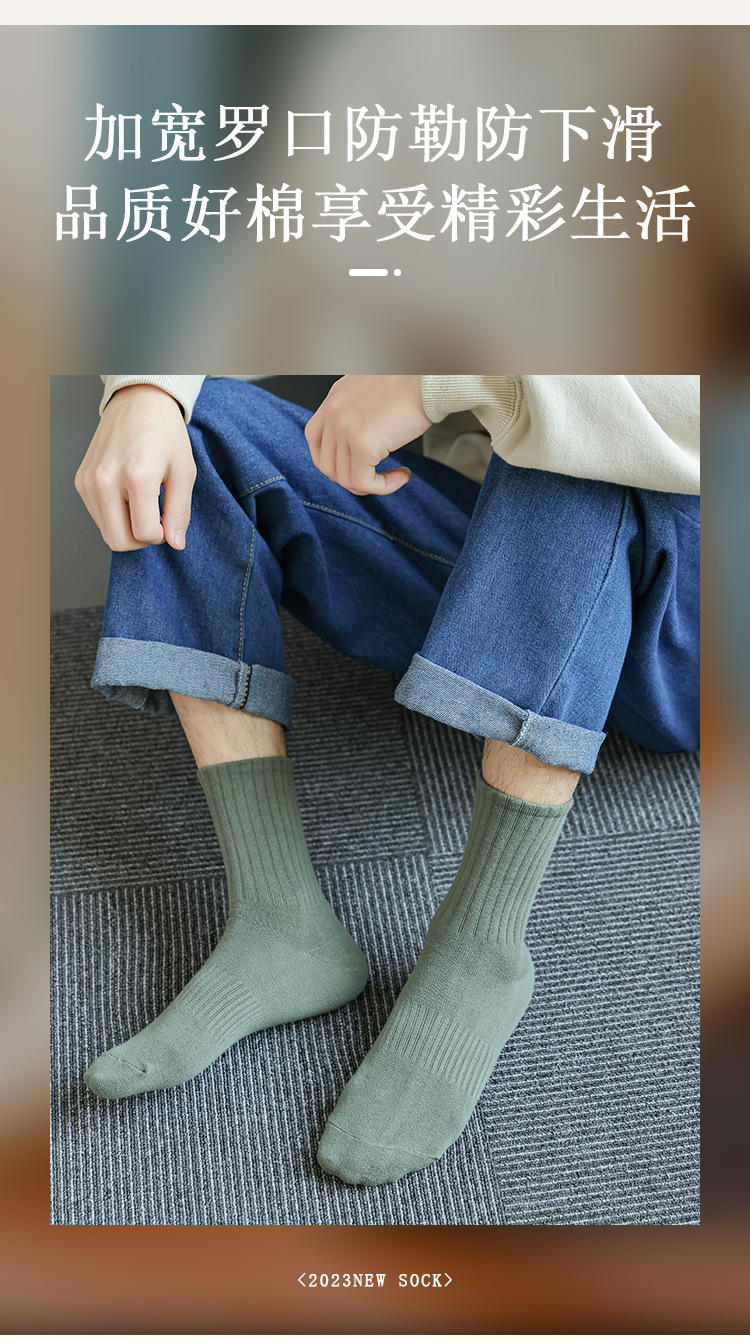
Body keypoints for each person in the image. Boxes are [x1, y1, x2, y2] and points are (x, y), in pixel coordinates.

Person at [74, 373, 700, 1187]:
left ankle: (481, 947)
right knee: (190, 433)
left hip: (687, 630)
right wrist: (145, 389)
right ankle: (278, 915)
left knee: (572, 423)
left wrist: (449, 379)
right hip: (505, 559)